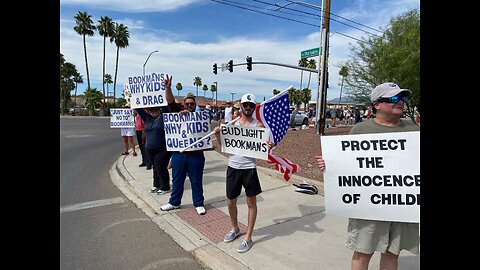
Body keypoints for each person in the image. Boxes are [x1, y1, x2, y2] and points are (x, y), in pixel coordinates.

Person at [315, 82, 420, 270]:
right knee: (363, 251)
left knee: (392, 252)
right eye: (394, 98)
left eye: (402, 98)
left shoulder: (412, 129)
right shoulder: (360, 131)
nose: (400, 102)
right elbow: (347, 163)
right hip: (368, 205)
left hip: (402, 205)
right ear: (377, 104)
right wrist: (329, 165)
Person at [213, 93, 273, 253]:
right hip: (233, 167)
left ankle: (249, 237)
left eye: (251, 105)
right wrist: (219, 135)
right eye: (245, 105)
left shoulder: (258, 126)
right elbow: (223, 146)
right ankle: (235, 228)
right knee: (230, 201)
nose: (247, 108)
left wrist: (267, 145)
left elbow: (264, 148)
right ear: (241, 106)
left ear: (254, 108)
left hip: (249, 169)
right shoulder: (232, 124)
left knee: (251, 203)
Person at [159, 75, 207, 215]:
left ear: (195, 105)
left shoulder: (201, 116)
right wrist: (168, 87)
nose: (189, 106)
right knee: (177, 180)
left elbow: (205, 134)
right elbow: (170, 101)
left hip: (196, 156)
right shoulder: (177, 113)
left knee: (196, 181)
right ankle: (174, 202)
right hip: (179, 155)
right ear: (184, 104)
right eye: (187, 104)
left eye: (192, 104)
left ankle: (198, 203)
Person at [135, 106, 172, 195]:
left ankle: (165, 186)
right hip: (150, 149)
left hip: (162, 149)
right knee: (155, 167)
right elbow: (139, 109)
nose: (153, 111)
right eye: (151, 110)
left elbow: (166, 107)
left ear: (159, 110)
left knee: (160, 167)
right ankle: (157, 184)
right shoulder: (148, 118)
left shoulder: (163, 118)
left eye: (156, 109)